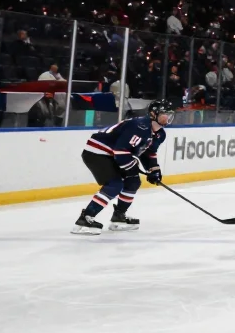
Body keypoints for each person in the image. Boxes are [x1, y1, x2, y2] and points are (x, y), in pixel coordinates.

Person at [72, 100, 172, 234]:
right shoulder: (139, 126)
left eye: (170, 114)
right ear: (153, 114)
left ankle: (119, 217)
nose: (168, 117)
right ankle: (85, 218)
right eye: (165, 114)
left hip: (113, 154)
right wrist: (132, 167)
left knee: (133, 181)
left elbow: (148, 152)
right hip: (97, 153)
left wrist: (154, 169)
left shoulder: (160, 134)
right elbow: (121, 150)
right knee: (115, 184)